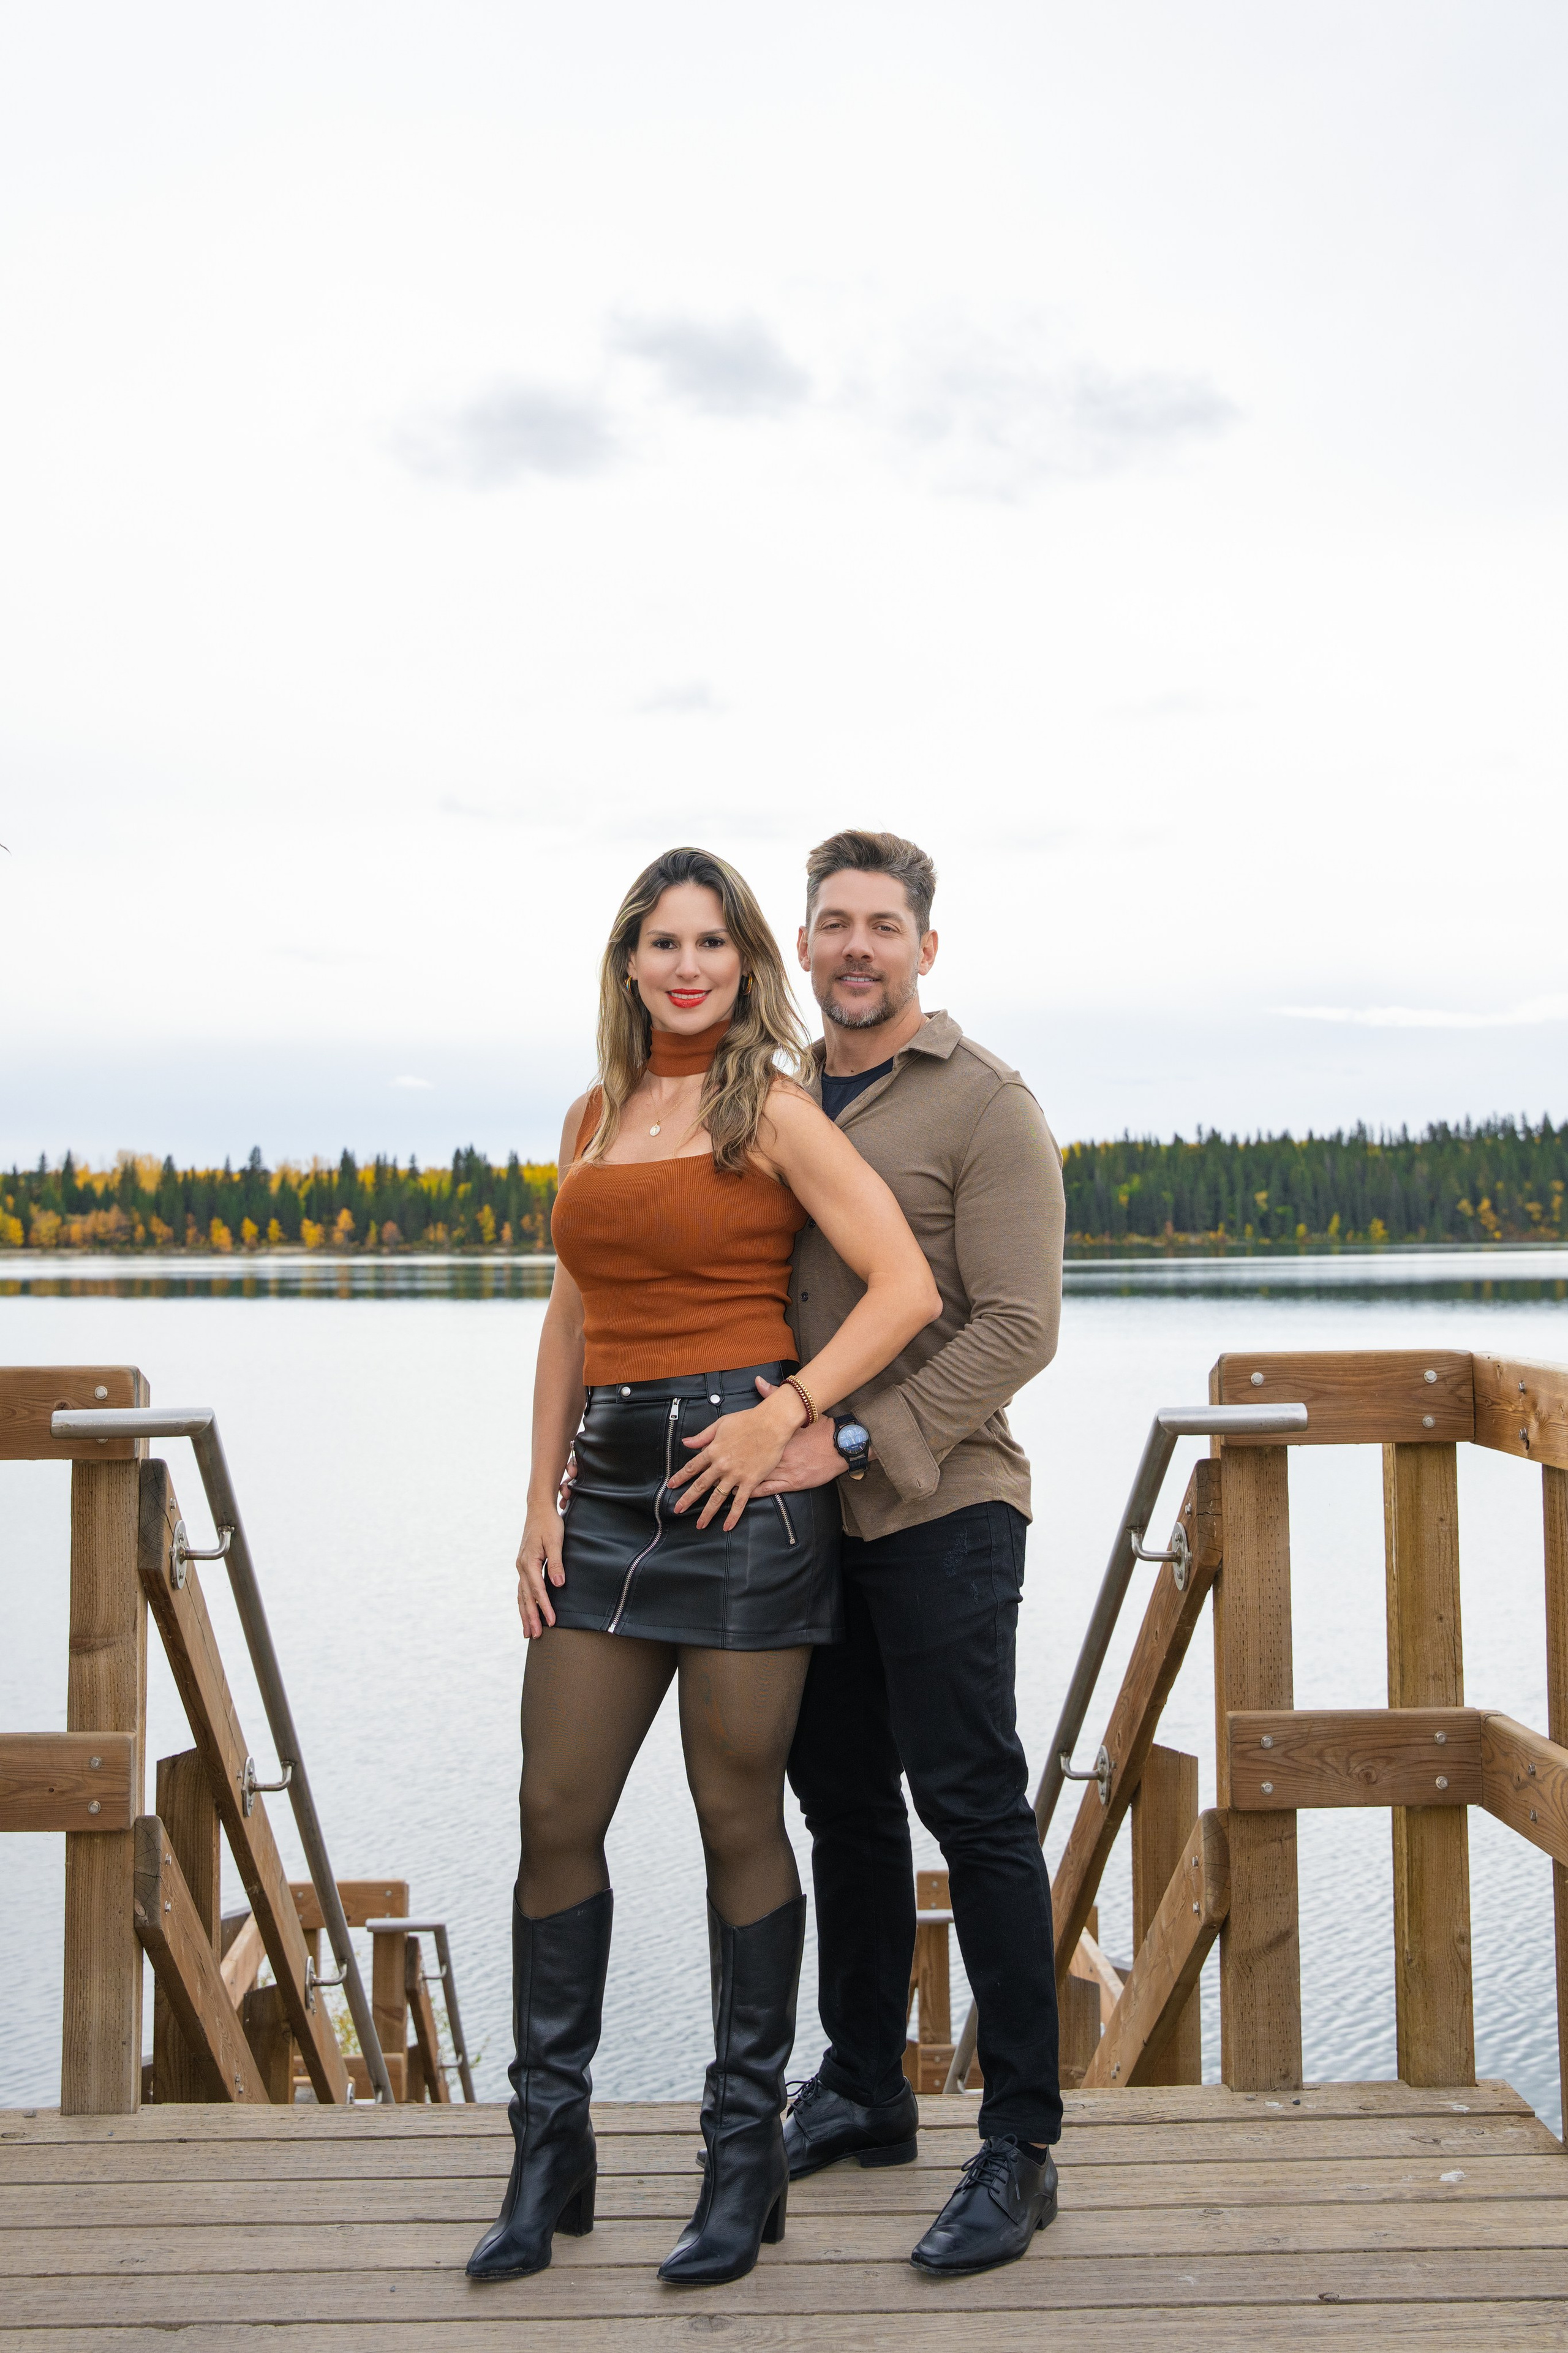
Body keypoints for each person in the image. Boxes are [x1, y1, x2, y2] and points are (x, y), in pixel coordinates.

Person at [466, 844, 940, 2292]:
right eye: (661, 943)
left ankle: (743, 2159)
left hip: (740, 1490)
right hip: (606, 1492)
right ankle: (549, 2148)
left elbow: (906, 1285)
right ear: (627, 963)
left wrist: (792, 1411)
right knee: (557, 1806)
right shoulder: (594, 1115)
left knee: (738, 1811)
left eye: (711, 944)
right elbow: (568, 1317)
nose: (686, 967)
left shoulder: (777, 1112)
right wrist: (540, 1499)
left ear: (748, 964)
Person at [755, 828, 1067, 2276]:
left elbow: (1017, 1324)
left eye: (884, 924)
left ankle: (1017, 2142)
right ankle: (867, 2085)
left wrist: (864, 1435)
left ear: (925, 948)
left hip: (941, 1504)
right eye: (833, 924)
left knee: (971, 1805)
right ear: (804, 947)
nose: (857, 947)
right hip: (800, 1520)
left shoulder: (987, 1106)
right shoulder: (766, 1098)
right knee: (840, 1806)